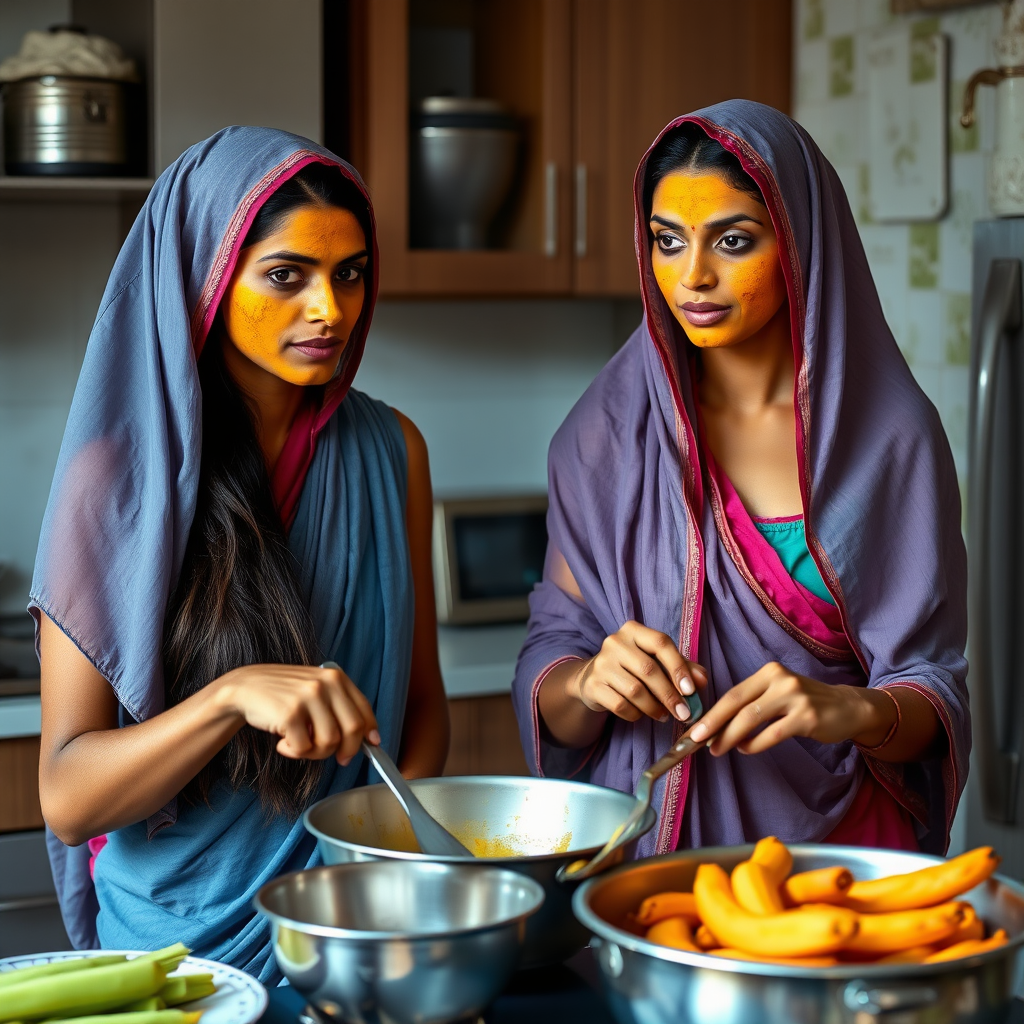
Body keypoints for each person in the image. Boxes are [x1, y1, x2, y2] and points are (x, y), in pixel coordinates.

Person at [30, 127, 449, 980]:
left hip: (346, 933)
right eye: (287, 276)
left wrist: (357, 875)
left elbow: (422, 711)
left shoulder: (394, 451)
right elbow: (68, 797)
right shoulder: (113, 481)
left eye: (351, 273)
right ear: (207, 279)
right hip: (181, 961)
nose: (329, 308)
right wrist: (229, 699)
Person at [513, 100, 968, 858]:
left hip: (835, 864)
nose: (692, 276)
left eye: (732, 240)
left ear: (799, 244)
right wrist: (590, 682)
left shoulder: (892, 442)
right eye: (667, 242)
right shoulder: (606, 435)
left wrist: (845, 708)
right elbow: (552, 663)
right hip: (647, 865)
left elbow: (935, 694)